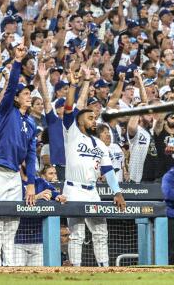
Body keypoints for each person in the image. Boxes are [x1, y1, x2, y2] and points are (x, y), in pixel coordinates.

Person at [62, 83, 126, 267]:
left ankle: (104, 268)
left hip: (92, 190)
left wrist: (117, 192)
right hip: (73, 189)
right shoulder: (72, 133)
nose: (94, 121)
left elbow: (107, 170)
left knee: (100, 231)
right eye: (90, 118)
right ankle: (75, 269)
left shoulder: (100, 144)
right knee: (77, 234)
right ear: (80, 121)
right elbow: (68, 110)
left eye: (95, 118)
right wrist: (73, 85)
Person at [0, 48, 35, 264]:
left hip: (14, 174)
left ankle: (10, 265)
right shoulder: (7, 111)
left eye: (30, 93)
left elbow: (31, 156)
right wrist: (17, 61)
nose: (29, 96)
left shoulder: (31, 123)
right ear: (15, 98)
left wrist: (30, 183)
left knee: (13, 221)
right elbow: (12, 85)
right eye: (25, 94)